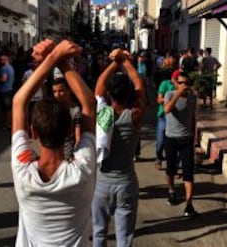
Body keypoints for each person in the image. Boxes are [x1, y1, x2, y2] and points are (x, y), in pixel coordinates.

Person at [11, 39, 96, 247]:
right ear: (69, 130)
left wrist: (52, 58)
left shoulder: (23, 171)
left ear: (34, 133)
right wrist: (59, 60)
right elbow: (89, 104)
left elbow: (19, 102)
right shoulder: (81, 172)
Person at [92, 49, 146, 247]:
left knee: (99, 234)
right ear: (128, 94)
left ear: (109, 94)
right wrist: (126, 61)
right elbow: (140, 85)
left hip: (102, 184)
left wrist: (114, 62)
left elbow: (98, 86)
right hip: (126, 183)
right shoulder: (134, 116)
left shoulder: (102, 114)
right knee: (125, 238)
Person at [164, 72, 198, 217]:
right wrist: (178, 94)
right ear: (176, 83)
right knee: (171, 169)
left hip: (186, 139)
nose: (184, 86)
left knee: (188, 172)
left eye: (186, 83)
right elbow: (167, 110)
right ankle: (171, 190)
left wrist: (195, 137)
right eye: (181, 83)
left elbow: (193, 117)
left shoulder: (192, 97)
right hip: (171, 137)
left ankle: (189, 204)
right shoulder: (170, 94)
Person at [52, 77, 82, 160]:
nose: (57, 95)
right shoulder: (51, 109)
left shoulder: (76, 111)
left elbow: (78, 137)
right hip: (53, 156)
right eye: (54, 92)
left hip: (68, 156)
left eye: (61, 91)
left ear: (69, 90)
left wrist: (75, 155)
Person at [155, 68, 176, 170]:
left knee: (174, 143)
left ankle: (173, 165)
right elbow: (159, 100)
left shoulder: (181, 88)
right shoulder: (165, 84)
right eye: (177, 80)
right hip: (163, 116)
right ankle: (159, 157)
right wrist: (169, 98)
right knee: (160, 142)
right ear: (172, 79)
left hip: (175, 118)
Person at [0, 54, 15, 129]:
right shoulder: (11, 67)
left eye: (1, 60)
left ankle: (7, 124)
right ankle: (10, 123)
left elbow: (4, 79)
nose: (0, 61)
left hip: (4, 90)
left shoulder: (3, 68)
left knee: (6, 109)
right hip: (10, 88)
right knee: (9, 108)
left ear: (5, 60)